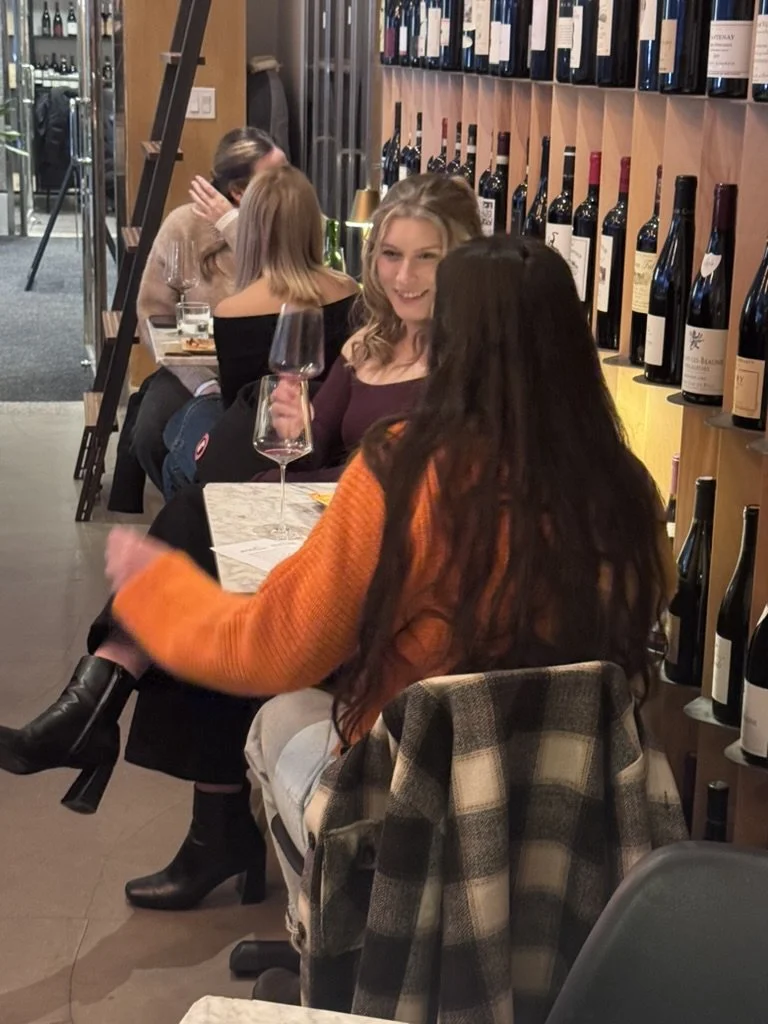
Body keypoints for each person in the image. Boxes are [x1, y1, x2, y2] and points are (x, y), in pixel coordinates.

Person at [101, 235, 675, 956]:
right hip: (575, 816)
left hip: (420, 815)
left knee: (279, 715)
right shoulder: (628, 487)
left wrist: (155, 592)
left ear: (452, 341)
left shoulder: (403, 473)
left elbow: (264, 650)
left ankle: (336, 947)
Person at [0, 174, 484, 914]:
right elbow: (316, 443)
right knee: (202, 538)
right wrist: (294, 423)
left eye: (428, 258)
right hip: (323, 534)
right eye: (391, 254)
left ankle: (104, 711)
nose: (405, 276)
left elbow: (409, 485)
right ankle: (191, 804)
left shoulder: (470, 366)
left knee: (198, 536)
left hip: (388, 571)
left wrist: (299, 471)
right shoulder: (367, 343)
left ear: (463, 262)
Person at [160, 163, 360, 498]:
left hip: (264, 444)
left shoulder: (232, 310)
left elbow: (235, 405)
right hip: (330, 442)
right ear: (312, 224)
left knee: (177, 452)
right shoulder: (349, 289)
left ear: (250, 229)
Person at [128, 127, 285, 495]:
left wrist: (235, 227)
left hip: (270, 370)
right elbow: (155, 314)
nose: (288, 184)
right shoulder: (184, 225)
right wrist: (201, 380)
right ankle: (185, 511)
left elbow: (284, 284)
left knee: (242, 451)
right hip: (195, 362)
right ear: (239, 191)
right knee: (149, 432)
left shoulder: (290, 221)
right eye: (275, 176)